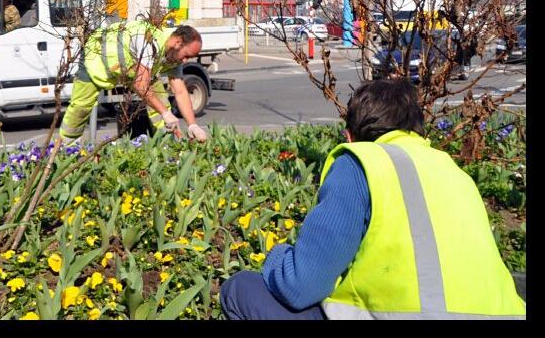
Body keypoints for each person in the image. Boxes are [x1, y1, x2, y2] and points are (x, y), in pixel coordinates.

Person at [219, 79, 526, 320]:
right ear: (417, 129)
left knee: (241, 289)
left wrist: (276, 256)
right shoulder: (454, 171)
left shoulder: (362, 163)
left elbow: (301, 287)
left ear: (349, 136)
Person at [59, 20, 208, 143]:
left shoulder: (174, 54)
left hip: (131, 68)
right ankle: (66, 148)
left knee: (160, 99)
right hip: (96, 58)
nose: (185, 61)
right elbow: (140, 85)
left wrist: (192, 125)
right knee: (80, 108)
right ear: (178, 42)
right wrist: (165, 113)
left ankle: (168, 144)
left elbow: (180, 91)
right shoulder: (150, 42)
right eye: (186, 55)